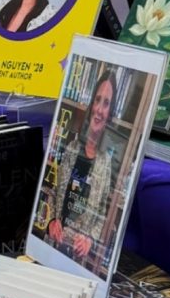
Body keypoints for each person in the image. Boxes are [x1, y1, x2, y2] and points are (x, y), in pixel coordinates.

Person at [45, 71, 119, 279]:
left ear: (110, 113)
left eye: (106, 103)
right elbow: (52, 191)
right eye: (97, 100)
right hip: (53, 247)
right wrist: (51, 221)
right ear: (91, 105)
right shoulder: (71, 148)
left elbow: (103, 215)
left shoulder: (106, 164)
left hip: (79, 261)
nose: (99, 109)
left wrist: (91, 240)